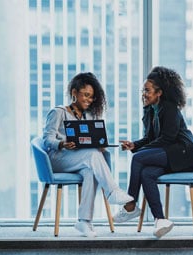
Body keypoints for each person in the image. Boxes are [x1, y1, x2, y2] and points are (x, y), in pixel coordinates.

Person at [42, 72, 133, 238]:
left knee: (90, 171)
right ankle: (112, 191)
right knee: (91, 156)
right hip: (57, 159)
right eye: (85, 95)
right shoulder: (58, 112)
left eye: (91, 97)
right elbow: (47, 140)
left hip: (80, 160)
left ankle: (84, 221)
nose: (88, 100)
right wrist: (62, 144)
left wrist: (100, 146)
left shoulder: (88, 116)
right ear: (74, 93)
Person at [116, 66, 193, 238]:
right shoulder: (150, 110)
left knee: (139, 159)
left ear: (159, 92)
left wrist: (140, 151)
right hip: (169, 155)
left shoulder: (170, 108)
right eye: (143, 90)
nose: (144, 94)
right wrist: (134, 145)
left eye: (147, 90)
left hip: (184, 154)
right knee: (147, 173)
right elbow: (150, 138)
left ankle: (131, 204)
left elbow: (167, 139)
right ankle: (160, 219)